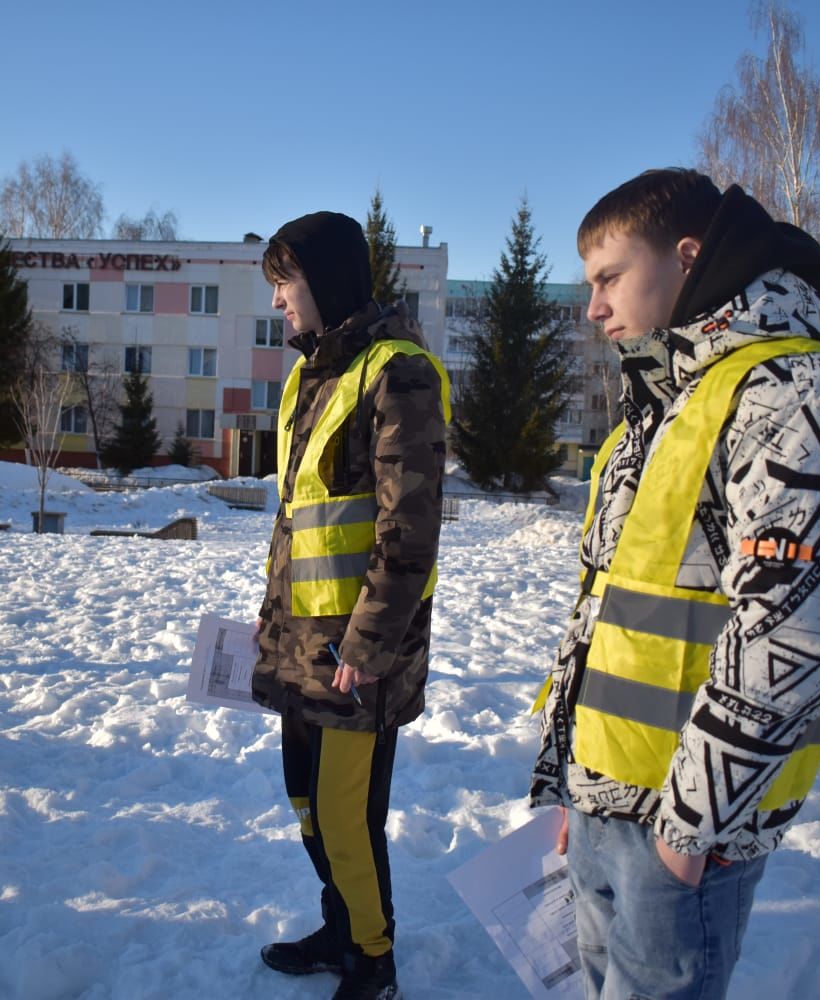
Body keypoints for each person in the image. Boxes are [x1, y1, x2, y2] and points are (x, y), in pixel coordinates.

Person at [528, 169, 820, 999]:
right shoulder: (663, 404)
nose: (593, 307)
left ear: (686, 256)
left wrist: (688, 833)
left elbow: (794, 635)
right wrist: (572, 782)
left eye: (609, 277)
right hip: (604, 800)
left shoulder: (806, 396)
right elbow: (608, 612)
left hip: (686, 826)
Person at [252, 211, 448, 1000]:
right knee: (306, 806)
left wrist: (365, 650)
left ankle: (374, 956)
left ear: (325, 282)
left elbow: (409, 536)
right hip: (301, 646)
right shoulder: (309, 376)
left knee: (345, 816)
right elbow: (299, 522)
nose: (279, 305)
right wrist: (268, 630)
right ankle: (341, 925)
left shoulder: (400, 373)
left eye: (285, 285)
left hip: (357, 660)